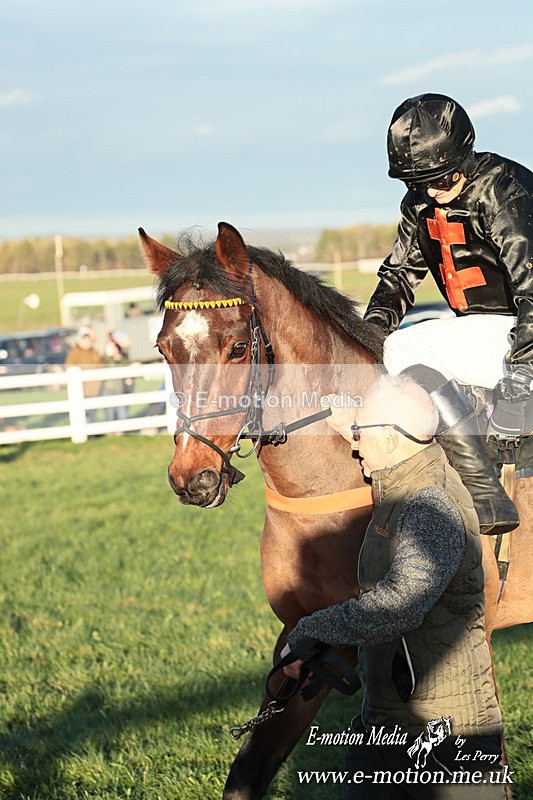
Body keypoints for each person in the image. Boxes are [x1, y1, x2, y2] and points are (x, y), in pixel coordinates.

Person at [283, 375, 504, 799]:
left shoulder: (431, 504)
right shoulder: (399, 487)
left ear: (389, 438)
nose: (355, 445)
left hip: (447, 738)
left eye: (360, 434)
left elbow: (400, 605)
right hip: (384, 727)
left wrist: (311, 631)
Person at [363, 92, 533, 534]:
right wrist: (360, 348)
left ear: (465, 155)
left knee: (405, 346)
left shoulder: (505, 191)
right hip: (484, 334)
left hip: (522, 333)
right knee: (390, 348)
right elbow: (398, 278)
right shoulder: (418, 202)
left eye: (440, 177)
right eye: (418, 182)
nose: (432, 190)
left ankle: (483, 488)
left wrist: (520, 382)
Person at [65, 326, 103, 424]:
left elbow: (100, 366)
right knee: (82, 412)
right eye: (84, 340)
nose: (87, 342)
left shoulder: (94, 352)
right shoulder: (74, 353)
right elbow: (69, 367)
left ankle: (92, 429)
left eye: (88, 340)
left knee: (92, 411)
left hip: (93, 388)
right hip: (80, 388)